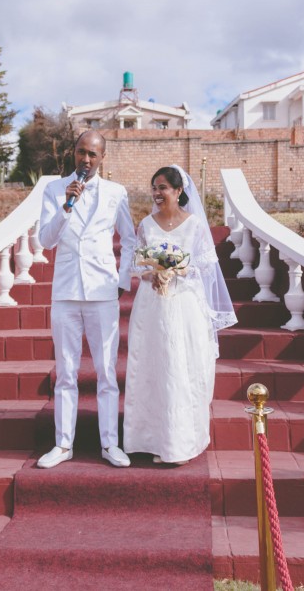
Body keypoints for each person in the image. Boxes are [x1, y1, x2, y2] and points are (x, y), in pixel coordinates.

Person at [123, 165, 237, 465]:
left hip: (184, 303)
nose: (157, 193)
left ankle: (180, 443)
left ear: (178, 191)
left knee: (182, 368)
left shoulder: (196, 225)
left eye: (163, 187)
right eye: (154, 188)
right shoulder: (146, 225)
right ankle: (149, 439)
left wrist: (179, 270)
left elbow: (206, 264)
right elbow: (136, 264)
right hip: (152, 305)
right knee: (151, 367)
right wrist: (153, 274)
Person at [36, 131, 136, 469]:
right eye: (81, 152)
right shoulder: (54, 189)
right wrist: (67, 205)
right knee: (66, 371)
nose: (86, 160)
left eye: (93, 154)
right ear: (73, 153)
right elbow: (46, 241)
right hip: (65, 291)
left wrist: (122, 281)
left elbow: (131, 239)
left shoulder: (116, 192)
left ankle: (110, 444)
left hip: (103, 290)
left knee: (107, 372)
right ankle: (63, 445)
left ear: (102, 157)